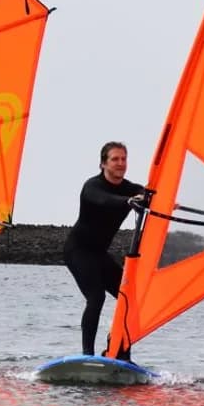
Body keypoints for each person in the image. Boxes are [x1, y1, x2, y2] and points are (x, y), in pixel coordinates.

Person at [64, 141, 144, 359]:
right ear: (103, 164)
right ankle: (87, 356)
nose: (120, 163)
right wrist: (129, 201)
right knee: (96, 297)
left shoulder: (129, 188)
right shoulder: (92, 187)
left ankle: (118, 351)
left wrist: (162, 201)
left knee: (129, 299)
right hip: (78, 250)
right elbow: (105, 200)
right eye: (115, 159)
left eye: (124, 159)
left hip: (99, 254)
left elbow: (145, 193)